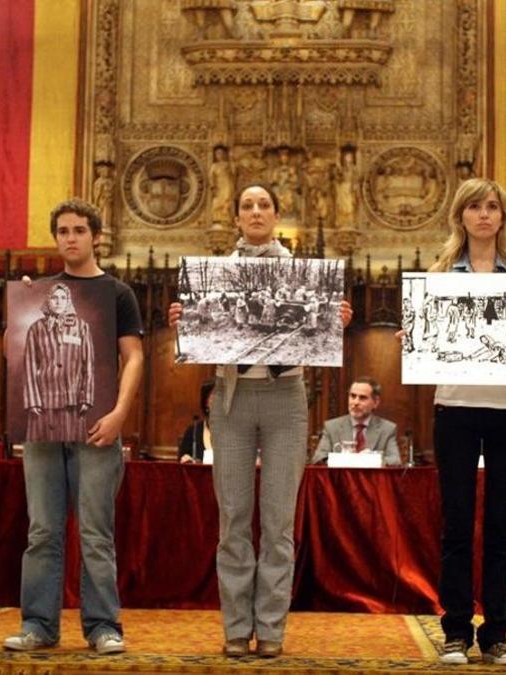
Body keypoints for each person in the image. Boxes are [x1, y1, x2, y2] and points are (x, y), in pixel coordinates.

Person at [167, 184, 352, 658]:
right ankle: (235, 626)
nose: (255, 211)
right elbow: (202, 336)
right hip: (231, 397)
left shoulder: (302, 273)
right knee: (232, 518)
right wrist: (184, 321)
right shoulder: (214, 275)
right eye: (246, 205)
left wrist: (336, 320)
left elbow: (318, 331)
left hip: (286, 397)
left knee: (278, 522)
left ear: (276, 214)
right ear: (236, 218)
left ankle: (270, 629)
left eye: (263, 204)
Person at [409, 178, 506, 667]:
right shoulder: (438, 274)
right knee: (456, 526)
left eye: (492, 206)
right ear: (460, 216)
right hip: (454, 407)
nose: (483, 215)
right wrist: (412, 336)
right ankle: (455, 631)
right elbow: (428, 339)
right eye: (474, 207)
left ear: (503, 217)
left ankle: (497, 633)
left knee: (502, 527)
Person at [3, 199, 144, 655]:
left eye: (79, 230)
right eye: (62, 230)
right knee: (42, 531)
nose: (70, 238)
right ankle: (38, 625)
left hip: (96, 427)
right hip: (43, 427)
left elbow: (133, 357)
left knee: (95, 533)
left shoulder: (116, 293)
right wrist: (17, 309)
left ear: (96, 236)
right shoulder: (37, 294)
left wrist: (119, 413)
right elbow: (16, 357)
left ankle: (103, 626)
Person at [24, 282, 95, 442]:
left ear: (68, 300)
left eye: (63, 298)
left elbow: (88, 365)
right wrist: (33, 400)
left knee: (72, 452)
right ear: (48, 300)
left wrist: (87, 397)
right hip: (44, 401)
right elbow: (29, 366)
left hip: (73, 401)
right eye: (54, 297)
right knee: (44, 453)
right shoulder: (35, 329)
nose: (58, 301)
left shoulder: (82, 327)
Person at [309, 377, 401, 466]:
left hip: (371, 480)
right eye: (353, 396)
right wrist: (344, 460)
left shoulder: (387, 429)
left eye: (362, 398)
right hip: (341, 480)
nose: (356, 402)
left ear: (375, 402)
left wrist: (368, 460)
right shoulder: (332, 427)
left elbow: (395, 460)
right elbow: (318, 458)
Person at [179, 380, 215, 464]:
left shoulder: (235, 433)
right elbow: (181, 461)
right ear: (206, 402)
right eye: (215, 395)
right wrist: (186, 460)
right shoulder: (193, 431)